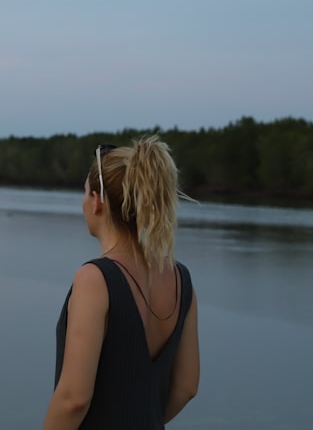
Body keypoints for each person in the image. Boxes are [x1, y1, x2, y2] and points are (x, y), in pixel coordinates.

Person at [41, 136, 199, 430]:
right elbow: (186, 386)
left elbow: (73, 399)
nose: (83, 202)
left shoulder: (95, 279)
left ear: (98, 202)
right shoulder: (181, 279)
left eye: (86, 192)